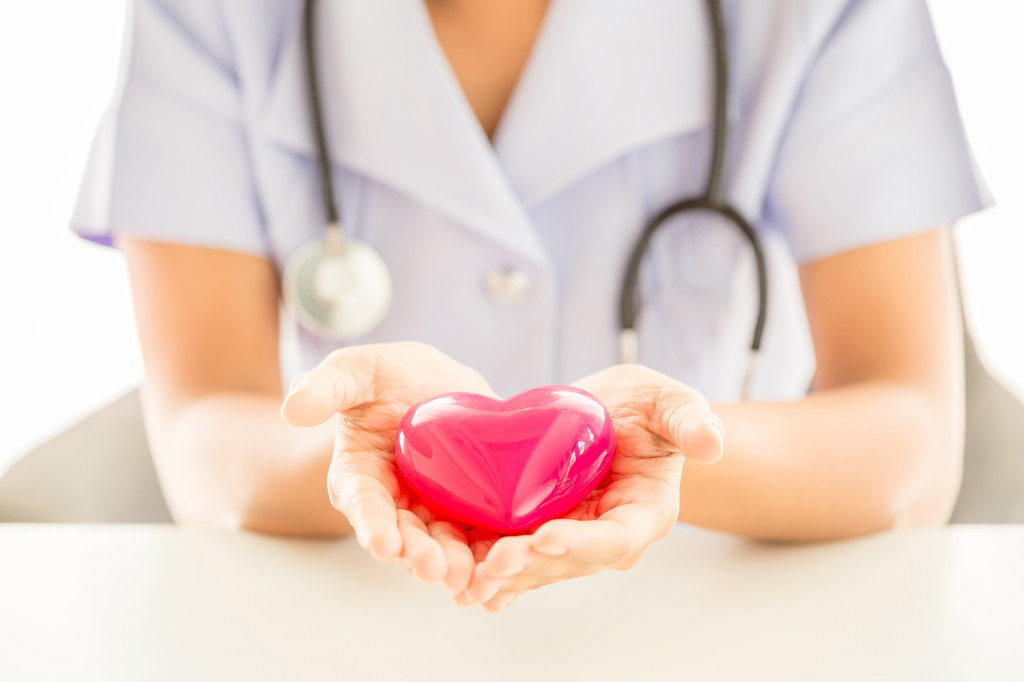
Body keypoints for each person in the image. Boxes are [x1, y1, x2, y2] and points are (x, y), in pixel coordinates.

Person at [72, 0, 989, 613]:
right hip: (348, 619)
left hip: (731, 608)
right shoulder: (205, 15)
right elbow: (201, 432)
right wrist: (382, 456)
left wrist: (651, 452)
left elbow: (910, 436)